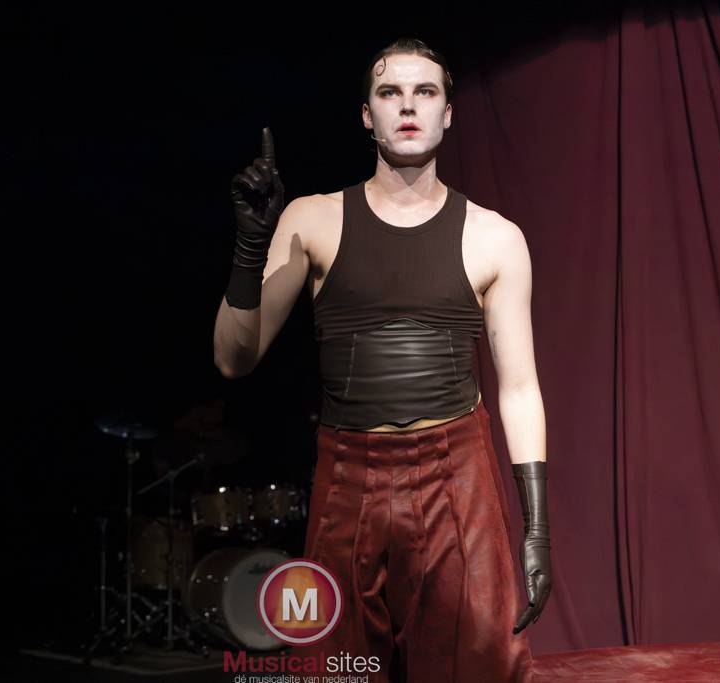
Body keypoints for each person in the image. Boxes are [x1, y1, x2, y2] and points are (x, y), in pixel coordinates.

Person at [212, 38, 551, 683]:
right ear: (367, 115)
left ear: (448, 112)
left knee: (476, 666)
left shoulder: (495, 237)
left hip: (456, 474)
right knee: (334, 666)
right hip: (349, 474)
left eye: (426, 92)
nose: (408, 106)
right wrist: (250, 247)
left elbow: (520, 388)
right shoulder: (311, 219)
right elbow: (234, 360)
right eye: (390, 92)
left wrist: (538, 528)